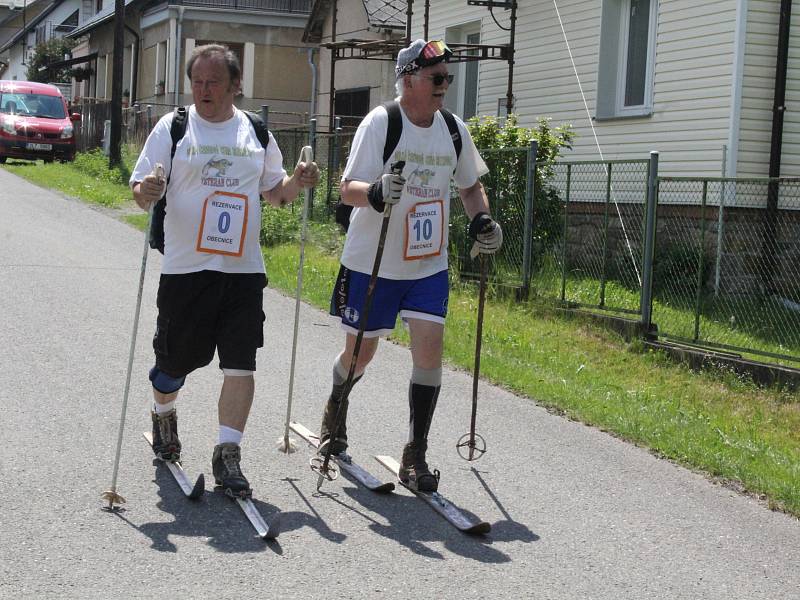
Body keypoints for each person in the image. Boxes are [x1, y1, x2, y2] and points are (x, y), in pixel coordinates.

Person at [130, 44, 319, 498]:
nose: (203, 90)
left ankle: (227, 453)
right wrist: (149, 188)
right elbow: (139, 189)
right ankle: (163, 414)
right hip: (186, 269)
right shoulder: (174, 127)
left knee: (240, 364)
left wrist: (299, 181)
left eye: (213, 82)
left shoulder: (254, 130)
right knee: (174, 362)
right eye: (197, 82)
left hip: (242, 270)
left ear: (236, 86)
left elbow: (276, 193)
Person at [318, 39, 503, 492]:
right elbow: (347, 189)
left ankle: (415, 453)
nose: (444, 87)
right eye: (436, 78)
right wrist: (377, 192)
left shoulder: (453, 129)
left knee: (430, 351)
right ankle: (334, 414)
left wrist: (481, 218)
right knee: (361, 353)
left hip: (427, 262)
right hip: (374, 261)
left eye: (447, 79)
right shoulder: (383, 122)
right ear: (408, 79)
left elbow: (469, 186)